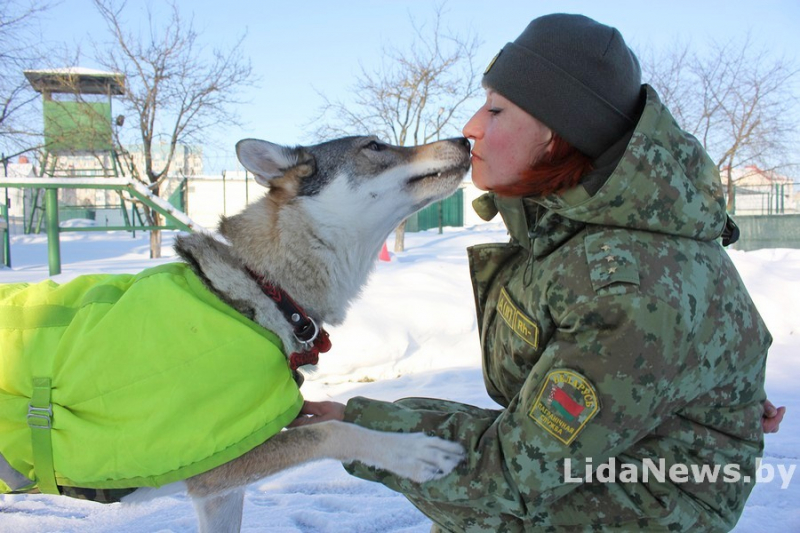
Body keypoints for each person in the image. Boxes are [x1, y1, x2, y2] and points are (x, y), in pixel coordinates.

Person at [292, 13, 784, 532]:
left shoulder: (623, 283)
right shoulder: (568, 226)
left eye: (497, 109)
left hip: (658, 502)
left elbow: (512, 473)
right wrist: (708, 391)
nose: (472, 126)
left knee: (488, 504)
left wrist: (354, 430)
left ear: (556, 134)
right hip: (618, 455)